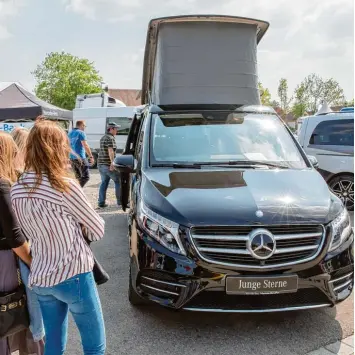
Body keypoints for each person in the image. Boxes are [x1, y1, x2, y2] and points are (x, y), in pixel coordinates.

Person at [11, 121, 106, 355]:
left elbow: (25, 231)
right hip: (74, 274)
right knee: (94, 345)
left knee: (53, 344)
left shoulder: (17, 188)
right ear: (58, 147)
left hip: (41, 275)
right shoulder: (64, 186)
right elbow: (97, 229)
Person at [0, 132, 44, 355]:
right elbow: (15, 236)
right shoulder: (3, 185)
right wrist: (33, 262)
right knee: (6, 309)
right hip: (5, 259)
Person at [11, 126, 46, 345]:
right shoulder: (19, 181)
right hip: (23, 248)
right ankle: (37, 334)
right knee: (33, 295)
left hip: (16, 249)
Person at [97, 122, 121, 208]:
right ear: (111, 129)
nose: (117, 130)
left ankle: (101, 202)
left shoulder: (103, 137)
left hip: (100, 164)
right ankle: (120, 201)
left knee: (104, 183)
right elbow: (110, 150)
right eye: (116, 129)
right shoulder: (110, 138)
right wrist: (112, 163)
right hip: (107, 164)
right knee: (118, 181)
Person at [68, 120, 94, 187]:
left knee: (78, 177)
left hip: (72, 158)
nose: (84, 127)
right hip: (80, 158)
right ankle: (76, 191)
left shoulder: (70, 133)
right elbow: (85, 145)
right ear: (81, 125)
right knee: (86, 177)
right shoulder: (81, 133)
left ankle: (75, 192)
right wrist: (91, 156)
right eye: (84, 126)